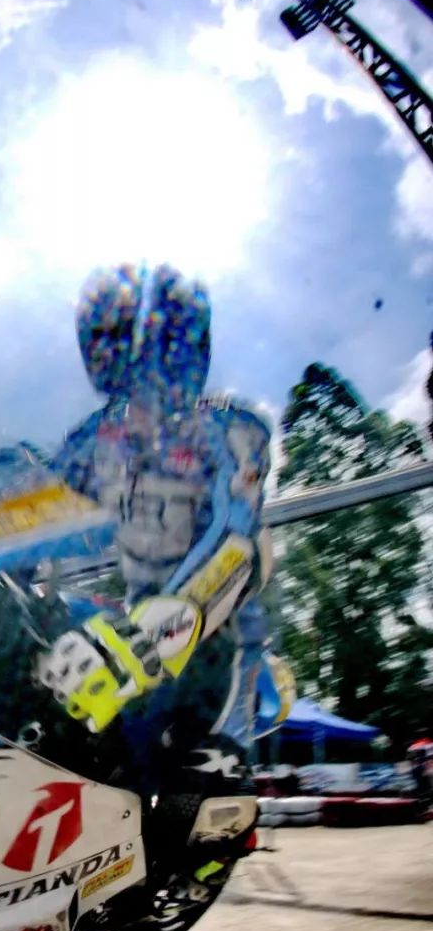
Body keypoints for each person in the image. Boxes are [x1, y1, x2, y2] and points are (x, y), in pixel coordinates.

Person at [39, 263, 287, 822]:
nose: (145, 377)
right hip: (132, 629)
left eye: (159, 356)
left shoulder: (230, 429)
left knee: (194, 797)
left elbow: (235, 539)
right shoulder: (94, 439)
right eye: (127, 360)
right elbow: (31, 509)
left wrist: (141, 641)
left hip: (218, 641)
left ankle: (214, 795)